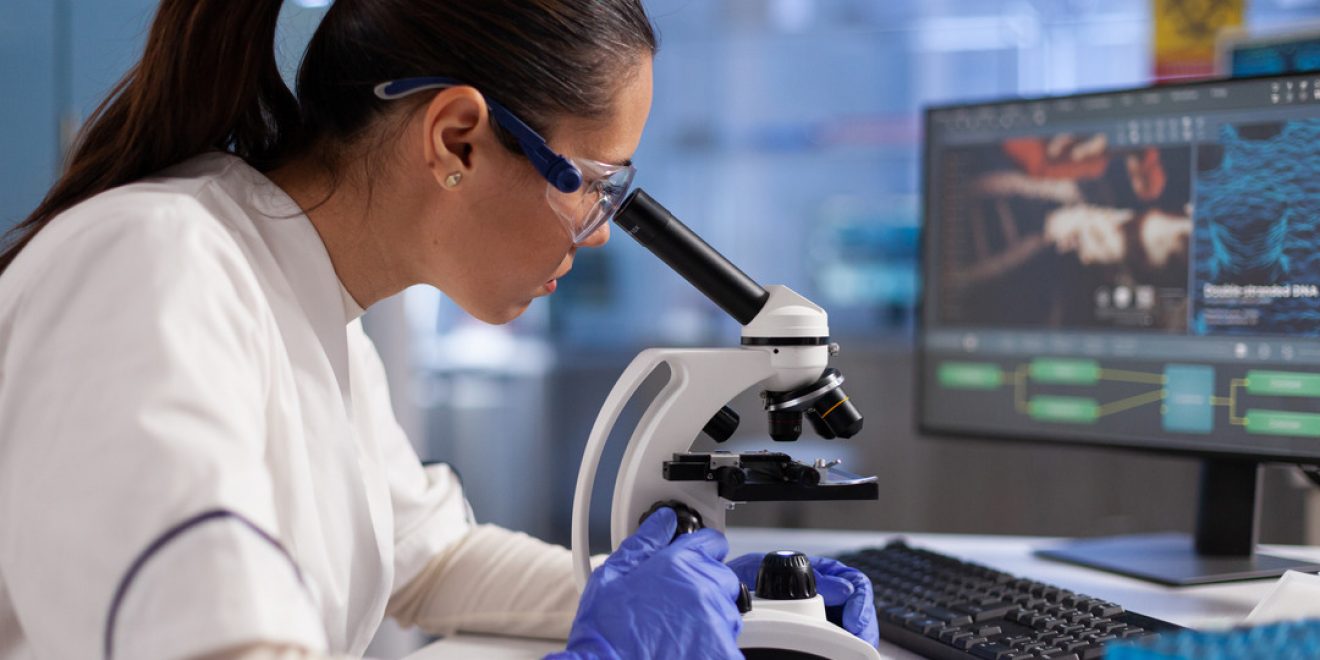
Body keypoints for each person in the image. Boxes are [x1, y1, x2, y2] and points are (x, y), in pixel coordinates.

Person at [0, 1, 877, 658]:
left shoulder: (317, 309)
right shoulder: (158, 264)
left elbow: (428, 558)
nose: (599, 228)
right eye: (591, 184)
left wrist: (717, 598)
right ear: (456, 138)